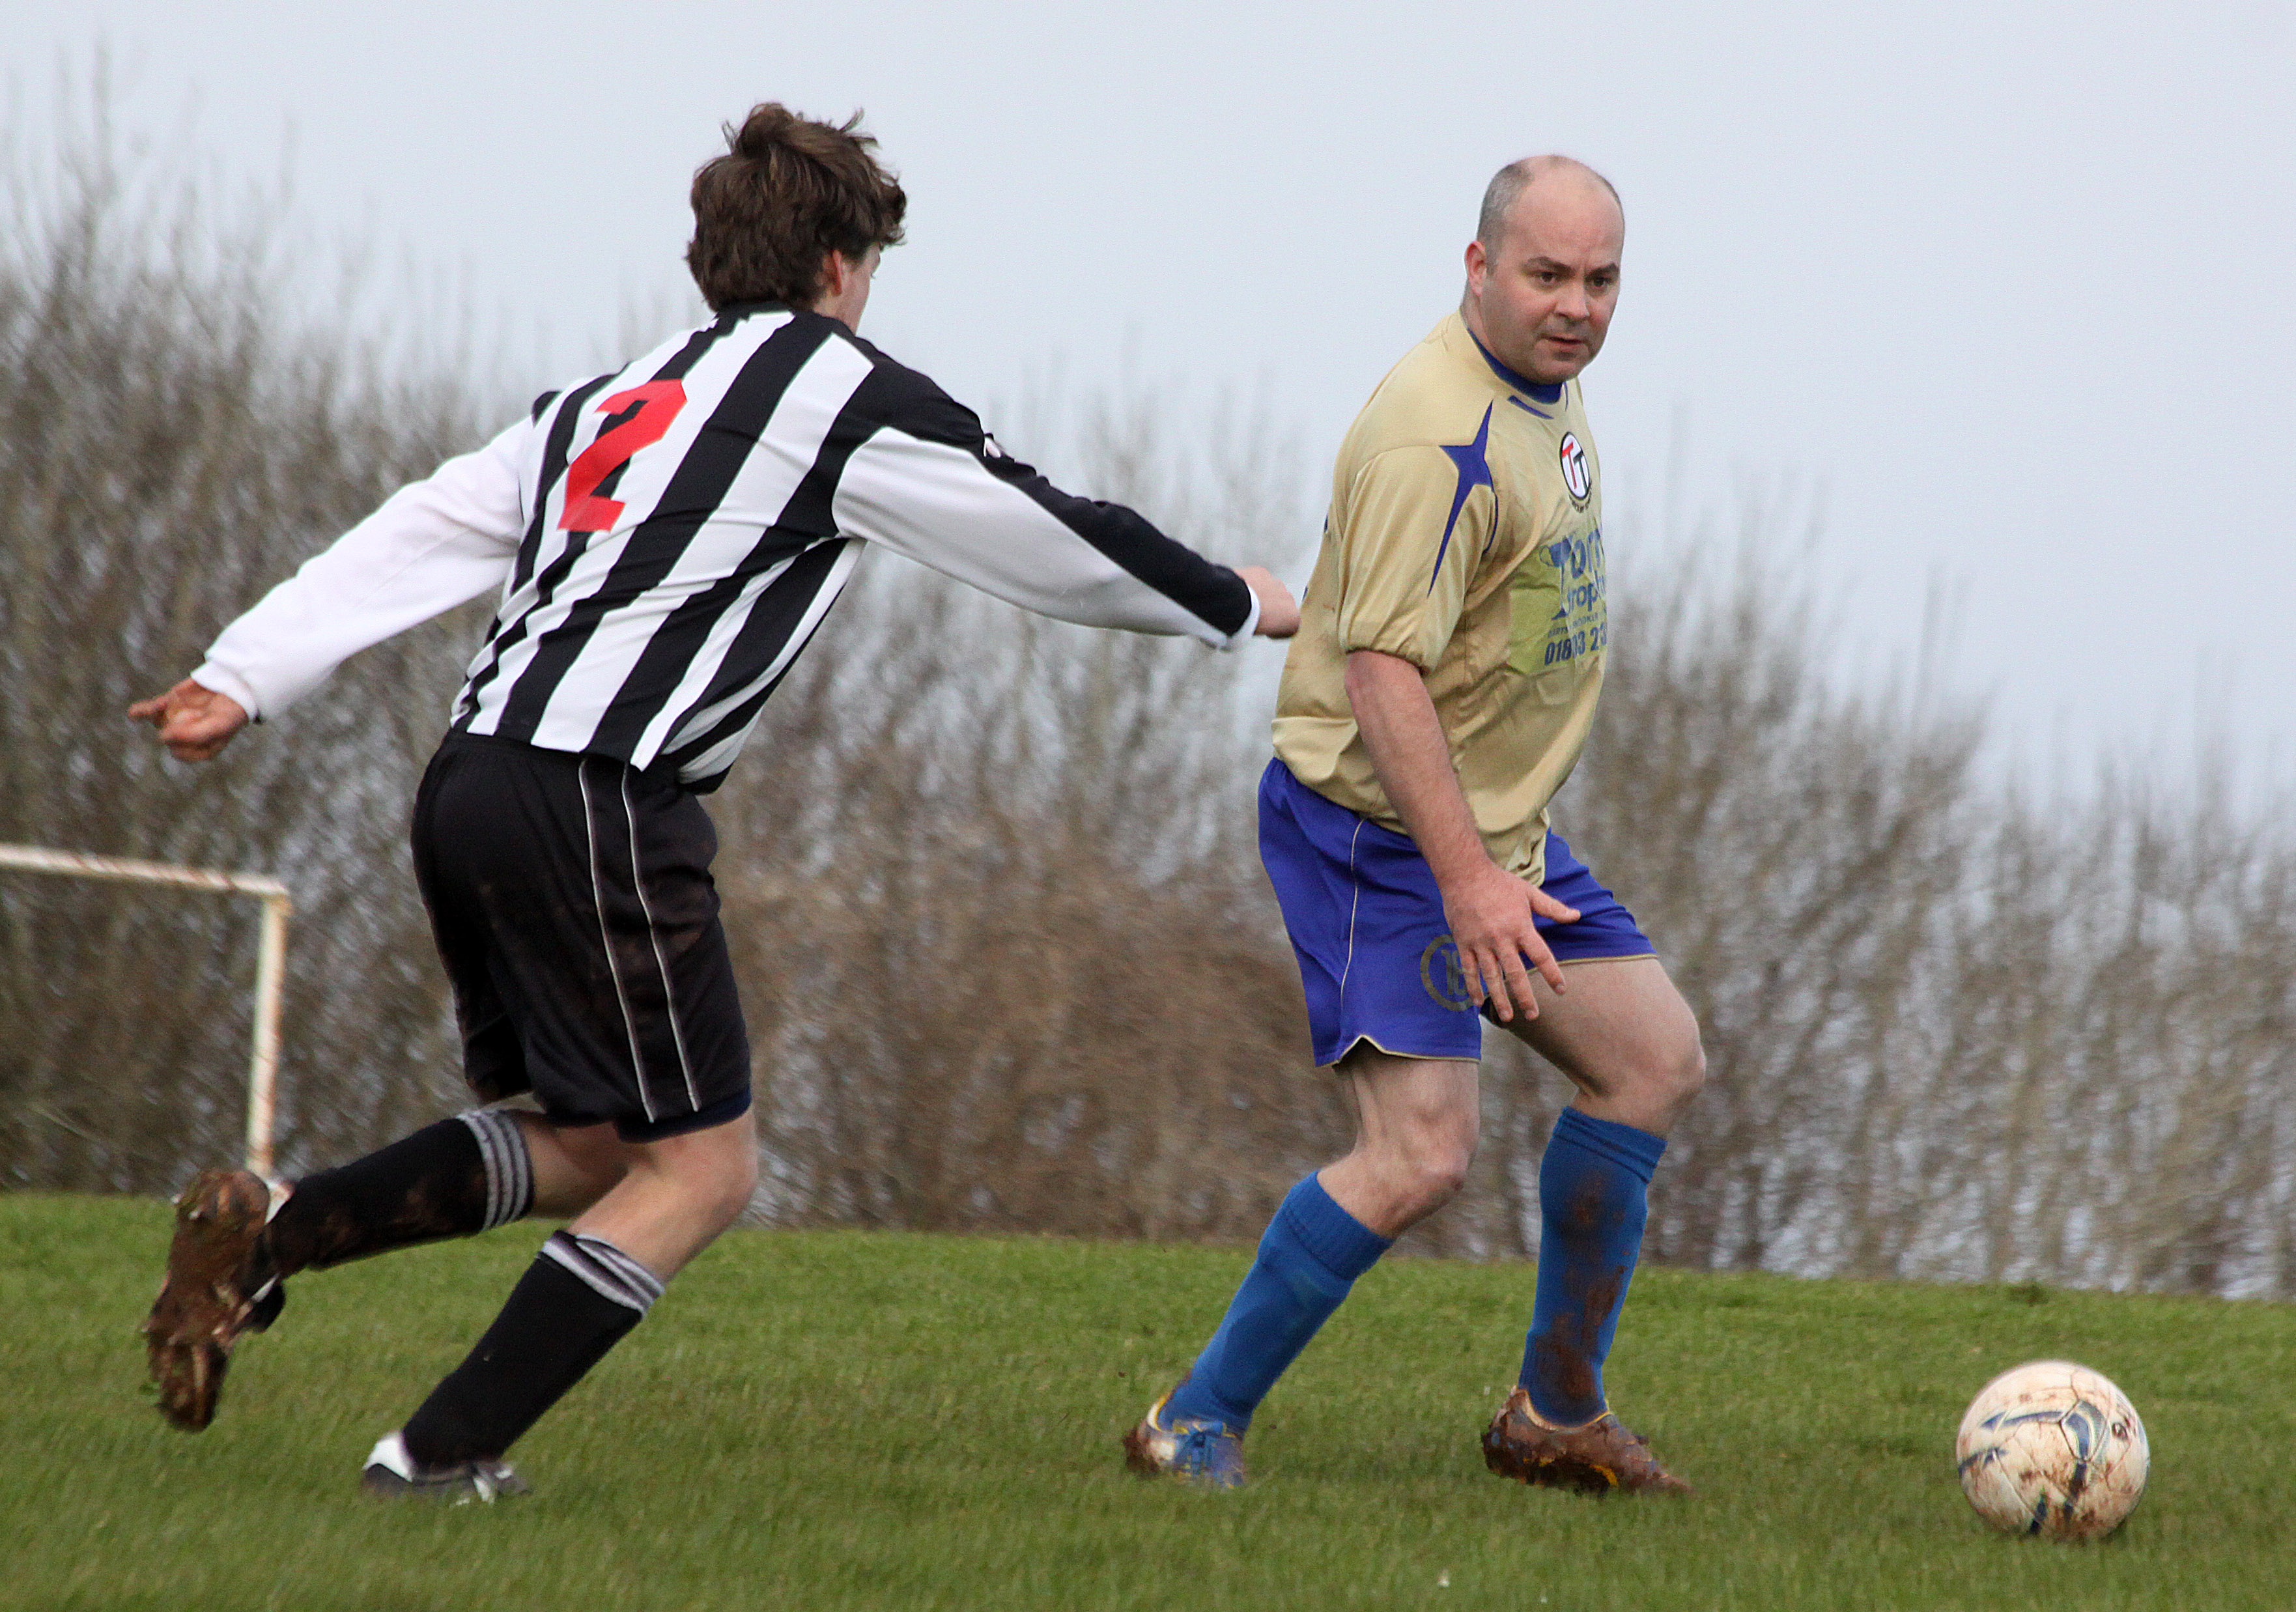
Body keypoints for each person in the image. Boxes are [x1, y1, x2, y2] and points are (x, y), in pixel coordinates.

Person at [132, 102, 1300, 1502]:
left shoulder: (605, 400)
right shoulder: (840, 391)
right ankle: (435, 1456)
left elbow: (420, 525)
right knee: (705, 1169)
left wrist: (244, 670)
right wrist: (1246, 601)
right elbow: (1049, 538)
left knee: (596, 1140)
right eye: (869, 262)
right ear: (838, 265)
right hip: (600, 795)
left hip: (473, 779)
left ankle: (273, 1227)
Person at [1124, 155, 1703, 1493]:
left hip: (1488, 831)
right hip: (1374, 834)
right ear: (1476, 266)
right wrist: (1466, 883)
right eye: (1544, 275)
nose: (1574, 306)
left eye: (1599, 279)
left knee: (1651, 1059)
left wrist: (1496, 860)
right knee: (1420, 1151)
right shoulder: (1430, 439)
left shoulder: (1541, 393)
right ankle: (1190, 1421)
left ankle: (1554, 1414)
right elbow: (1379, 676)